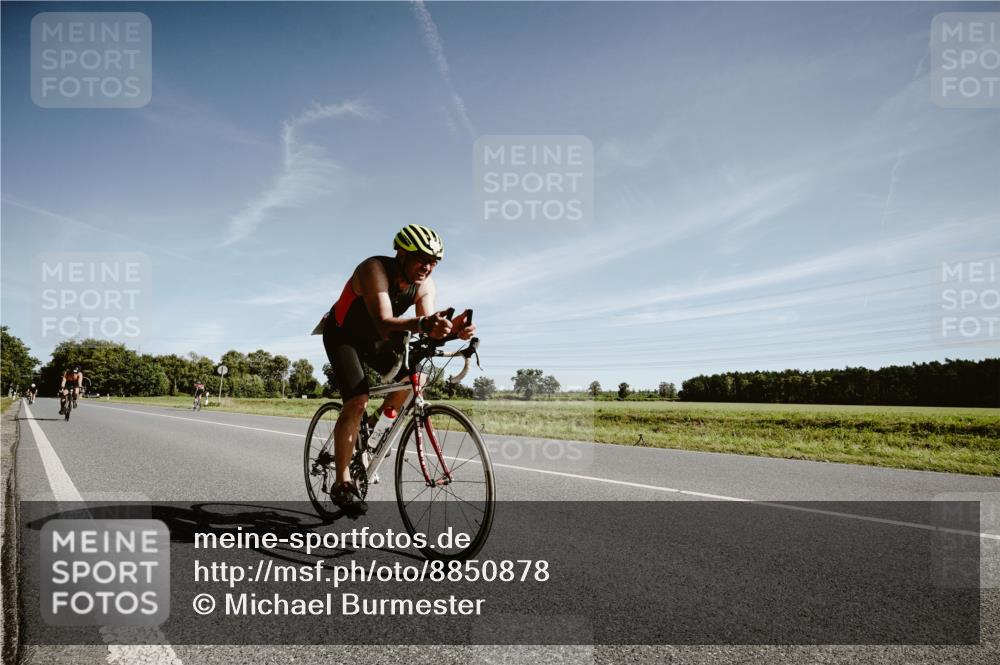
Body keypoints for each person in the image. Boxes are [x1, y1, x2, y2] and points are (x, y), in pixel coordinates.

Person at [320, 224, 475, 513]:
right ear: (401, 254)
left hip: (377, 339)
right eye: (421, 259)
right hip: (343, 334)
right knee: (356, 400)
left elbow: (426, 325)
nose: (427, 267)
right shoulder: (373, 270)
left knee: (417, 377)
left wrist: (453, 331)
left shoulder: (425, 285)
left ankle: (372, 427)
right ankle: (342, 483)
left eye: (433, 262)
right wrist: (424, 325)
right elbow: (383, 321)